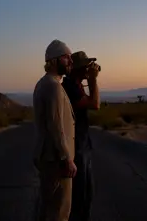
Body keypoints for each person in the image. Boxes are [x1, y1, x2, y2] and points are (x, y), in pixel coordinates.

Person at [33, 39, 77, 221]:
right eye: (67, 58)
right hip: (56, 160)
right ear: (54, 60)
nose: (71, 62)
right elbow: (56, 125)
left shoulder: (45, 84)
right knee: (58, 212)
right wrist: (66, 158)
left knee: (49, 209)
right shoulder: (53, 87)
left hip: (50, 158)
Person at [61, 51, 100, 221]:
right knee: (80, 197)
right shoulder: (69, 86)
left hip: (82, 145)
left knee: (86, 195)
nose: (88, 68)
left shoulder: (75, 86)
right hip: (77, 149)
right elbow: (95, 104)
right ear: (77, 69)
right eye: (86, 65)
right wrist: (93, 79)